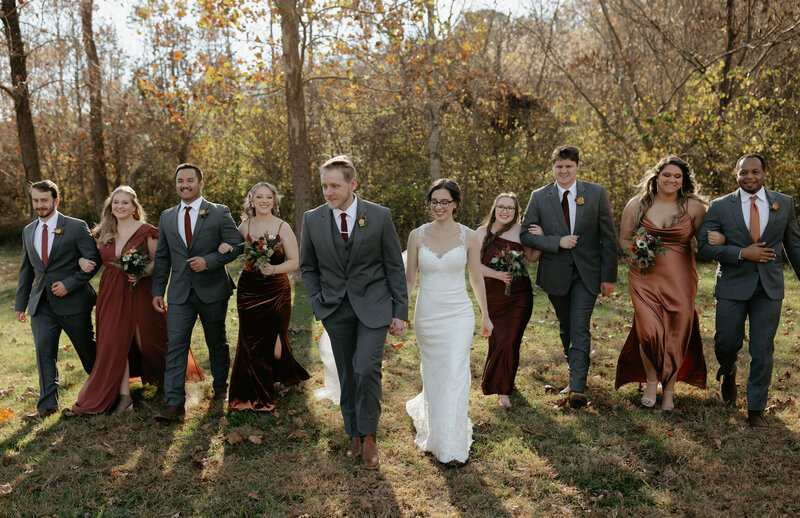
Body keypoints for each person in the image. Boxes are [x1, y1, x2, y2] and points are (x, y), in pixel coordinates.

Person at [299, 155, 408, 469]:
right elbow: (308, 267)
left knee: (366, 368)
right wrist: (320, 304)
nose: (328, 192)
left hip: (374, 307)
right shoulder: (313, 218)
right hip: (335, 309)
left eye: (335, 186)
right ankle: (353, 434)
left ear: (352, 184)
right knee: (346, 371)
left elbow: (392, 266)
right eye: (324, 186)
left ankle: (370, 435)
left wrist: (399, 310)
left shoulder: (379, 215)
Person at [67, 186, 204, 416]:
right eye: (116, 203)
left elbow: (158, 261)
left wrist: (143, 272)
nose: (120, 206)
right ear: (110, 207)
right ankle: (124, 398)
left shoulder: (148, 231)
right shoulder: (101, 233)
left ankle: (168, 379)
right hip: (110, 293)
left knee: (149, 342)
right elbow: (84, 255)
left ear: (134, 207)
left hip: (139, 290)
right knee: (113, 344)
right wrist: (81, 261)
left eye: (125, 203)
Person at [698, 153, 800, 428]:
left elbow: (794, 246)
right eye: (744, 172)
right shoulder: (719, 206)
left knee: (762, 348)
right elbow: (704, 247)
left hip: (769, 288)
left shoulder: (784, 203)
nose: (750, 177)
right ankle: (728, 370)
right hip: (732, 285)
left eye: (755, 172)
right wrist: (743, 252)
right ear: (736, 174)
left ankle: (756, 409)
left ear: (764, 174)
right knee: (726, 343)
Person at [520, 145, 618, 408]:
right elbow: (525, 234)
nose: (564, 171)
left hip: (587, 273)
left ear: (577, 167)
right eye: (559, 167)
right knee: (566, 326)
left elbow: (608, 237)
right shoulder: (540, 196)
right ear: (553, 168)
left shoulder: (596, 193)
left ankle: (577, 387)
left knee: (579, 325)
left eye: (569, 166)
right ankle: (574, 372)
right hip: (555, 272)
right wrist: (555, 241)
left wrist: (608, 277)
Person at [405, 178, 493, 465]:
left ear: (455, 204)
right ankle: (435, 428)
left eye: (444, 201)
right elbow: (410, 280)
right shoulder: (416, 236)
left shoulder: (469, 237)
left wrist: (486, 314)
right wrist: (398, 312)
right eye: (434, 201)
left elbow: (476, 277)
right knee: (434, 373)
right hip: (427, 314)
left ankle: (452, 446)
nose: (438, 206)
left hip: (458, 313)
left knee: (456, 373)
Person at [614, 156, 709, 411]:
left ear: (683, 180)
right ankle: (651, 382)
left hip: (680, 278)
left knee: (677, 333)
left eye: (677, 176)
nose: (671, 180)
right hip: (644, 276)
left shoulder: (694, 207)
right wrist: (637, 251)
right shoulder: (637, 205)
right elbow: (624, 240)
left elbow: (706, 244)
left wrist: (720, 237)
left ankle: (669, 390)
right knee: (649, 331)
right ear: (657, 177)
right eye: (667, 175)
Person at [151, 163, 243, 421]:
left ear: (200, 184)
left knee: (216, 340)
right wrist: (158, 289)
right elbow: (162, 256)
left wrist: (210, 261)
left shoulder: (218, 212)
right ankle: (174, 404)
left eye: (190, 180)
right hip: (180, 293)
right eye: (180, 181)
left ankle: (221, 388)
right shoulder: (167, 216)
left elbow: (237, 246)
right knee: (176, 345)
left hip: (213, 289)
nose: (185, 185)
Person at [218, 182, 310, 412]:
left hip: (276, 290)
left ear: (274, 200)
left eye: (268, 196)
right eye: (259, 196)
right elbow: (234, 247)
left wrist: (274, 269)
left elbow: (294, 261)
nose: (264, 200)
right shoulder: (244, 227)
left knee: (277, 345)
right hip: (249, 290)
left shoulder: (282, 226)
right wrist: (223, 247)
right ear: (252, 200)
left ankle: (286, 374)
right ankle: (253, 390)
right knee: (251, 341)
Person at [14, 180, 100, 420]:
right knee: (43, 351)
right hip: (41, 304)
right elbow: (26, 270)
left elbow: (93, 260)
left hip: (74, 303)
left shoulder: (75, 226)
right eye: (36, 200)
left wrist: (69, 284)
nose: (39, 205)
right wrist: (21, 304)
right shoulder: (28, 230)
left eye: (44, 200)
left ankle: (104, 394)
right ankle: (47, 405)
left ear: (56, 200)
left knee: (87, 351)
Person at [476, 193, 541, 408]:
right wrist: (497, 275)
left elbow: (531, 258)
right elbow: (472, 266)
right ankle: (499, 379)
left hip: (518, 295)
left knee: (510, 340)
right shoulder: (480, 233)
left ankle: (504, 390)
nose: (505, 211)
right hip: (492, 296)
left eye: (510, 208)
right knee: (497, 339)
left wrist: (539, 238)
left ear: (516, 211)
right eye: (501, 207)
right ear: (494, 208)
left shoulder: (521, 230)